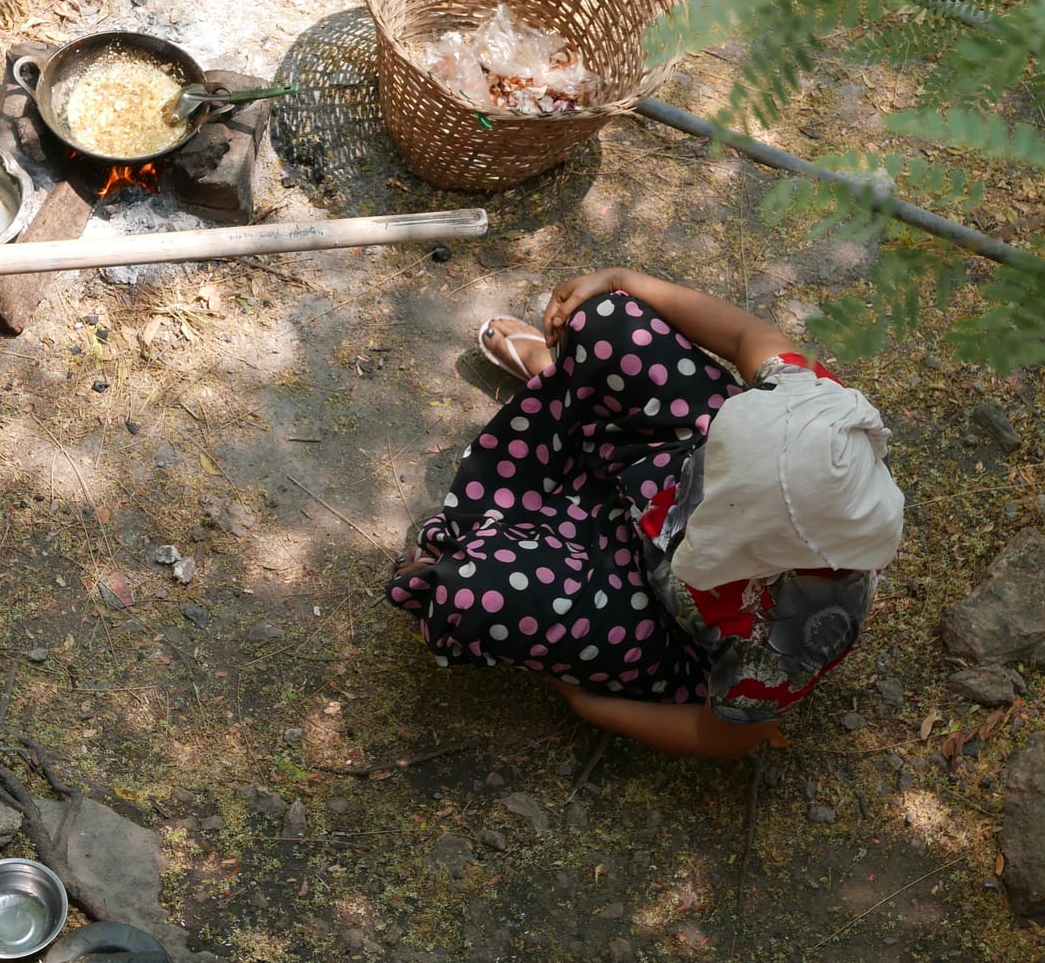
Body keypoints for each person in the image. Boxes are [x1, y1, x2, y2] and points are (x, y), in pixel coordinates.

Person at [385, 267, 903, 758]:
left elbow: (720, 738)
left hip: (653, 606)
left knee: (476, 592)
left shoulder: (787, 634)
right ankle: (565, 386)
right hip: (658, 472)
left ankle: (562, 402)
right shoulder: (817, 418)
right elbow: (747, 338)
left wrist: (590, 705)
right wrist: (621, 280)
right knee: (607, 319)